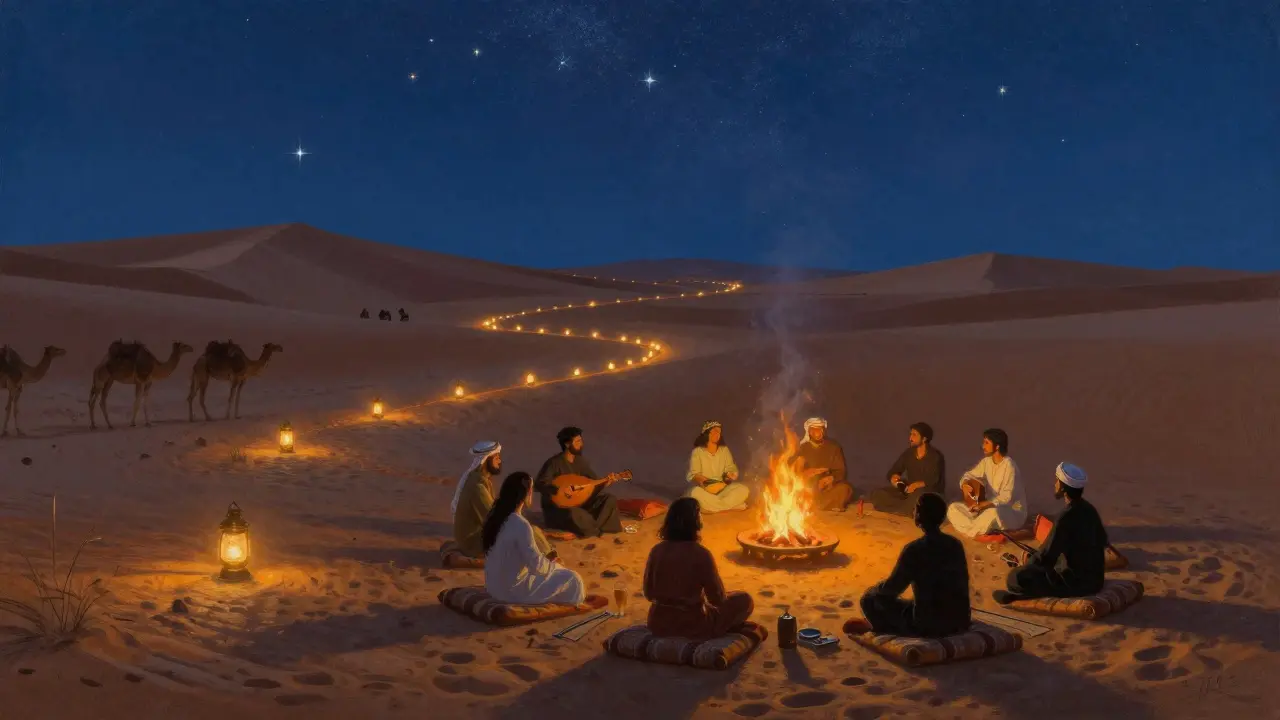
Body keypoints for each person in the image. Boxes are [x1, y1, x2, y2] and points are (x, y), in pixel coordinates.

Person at [844, 493, 971, 638]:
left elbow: (893, 588)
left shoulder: (915, 549)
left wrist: (875, 589)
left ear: (919, 516)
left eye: (916, 509)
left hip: (927, 625)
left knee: (868, 600)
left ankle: (881, 627)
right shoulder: (955, 544)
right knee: (915, 603)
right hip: (960, 621)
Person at [995, 462, 1109, 604]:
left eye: (1057, 481)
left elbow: (1048, 557)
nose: (1054, 484)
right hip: (1096, 581)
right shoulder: (1090, 510)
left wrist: (1028, 564)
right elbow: (1102, 542)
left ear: (1063, 488)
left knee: (1015, 577)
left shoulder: (1065, 517)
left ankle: (1018, 595)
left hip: (1074, 583)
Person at [643, 497, 754, 640]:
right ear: (695, 521)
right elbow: (717, 599)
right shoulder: (701, 554)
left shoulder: (656, 551)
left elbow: (648, 593)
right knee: (744, 600)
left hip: (658, 624)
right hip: (692, 626)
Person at [482, 472, 585, 605]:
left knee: (557, 572)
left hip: (493, 588)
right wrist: (554, 566)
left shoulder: (496, 518)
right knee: (574, 579)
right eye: (530, 490)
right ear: (525, 494)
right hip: (513, 591)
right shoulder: (520, 524)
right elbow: (536, 566)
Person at [451, 440, 554, 560]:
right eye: (496, 458)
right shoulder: (477, 486)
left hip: (479, 535)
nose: (499, 461)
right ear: (486, 460)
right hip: (473, 543)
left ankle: (545, 555)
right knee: (529, 532)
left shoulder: (481, 479)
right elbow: (493, 517)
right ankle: (549, 559)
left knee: (526, 529)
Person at [535, 426, 624, 537]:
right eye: (577, 441)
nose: (581, 444)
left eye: (581, 440)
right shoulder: (553, 463)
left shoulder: (581, 462)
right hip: (558, 510)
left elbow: (593, 483)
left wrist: (606, 482)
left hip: (580, 503)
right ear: (567, 444)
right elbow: (539, 484)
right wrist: (559, 490)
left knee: (609, 499)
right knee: (575, 513)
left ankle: (592, 528)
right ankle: (593, 528)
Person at [945, 428, 1026, 538]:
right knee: (953, 508)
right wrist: (964, 484)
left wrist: (984, 504)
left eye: (987, 443)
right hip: (987, 508)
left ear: (997, 446)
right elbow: (969, 475)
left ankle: (972, 531)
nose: (983, 446)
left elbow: (1007, 498)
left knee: (992, 513)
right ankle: (977, 529)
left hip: (1010, 512)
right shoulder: (986, 462)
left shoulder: (1009, 466)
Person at [870, 422, 946, 516]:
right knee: (878, 494)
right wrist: (894, 477)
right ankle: (906, 509)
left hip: (928, 492)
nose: (910, 438)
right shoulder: (908, 453)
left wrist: (917, 485)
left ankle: (906, 509)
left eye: (914, 435)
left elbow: (934, 480)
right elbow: (894, 470)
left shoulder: (935, 456)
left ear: (924, 438)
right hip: (909, 491)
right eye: (910, 434)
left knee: (920, 498)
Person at [686, 421, 750, 513]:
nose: (717, 434)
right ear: (706, 433)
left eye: (719, 432)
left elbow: (730, 467)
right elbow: (694, 473)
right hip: (706, 491)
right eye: (714, 432)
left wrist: (730, 474)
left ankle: (712, 508)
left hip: (723, 490)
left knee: (743, 489)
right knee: (695, 492)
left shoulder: (724, 450)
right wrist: (707, 482)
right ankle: (731, 507)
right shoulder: (697, 452)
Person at [792, 417, 855, 510]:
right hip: (808, 488)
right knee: (793, 492)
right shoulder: (802, 449)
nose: (817, 432)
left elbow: (841, 471)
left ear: (823, 430)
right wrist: (807, 473)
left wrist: (831, 478)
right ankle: (812, 505)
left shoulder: (833, 447)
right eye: (813, 429)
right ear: (809, 432)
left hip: (827, 488)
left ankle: (814, 506)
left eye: (819, 429)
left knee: (845, 489)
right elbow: (792, 472)